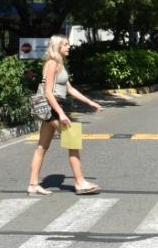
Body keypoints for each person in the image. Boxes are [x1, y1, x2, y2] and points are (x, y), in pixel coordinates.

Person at [27, 34, 104, 196]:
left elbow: (70, 89)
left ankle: (33, 185)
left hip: (54, 107)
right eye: (65, 45)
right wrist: (61, 113)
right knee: (73, 141)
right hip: (52, 107)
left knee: (42, 146)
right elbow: (48, 92)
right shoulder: (52, 64)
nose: (69, 47)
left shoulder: (60, 64)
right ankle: (80, 182)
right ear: (57, 46)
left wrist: (90, 103)